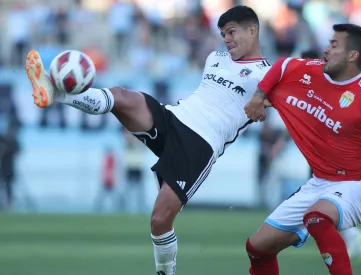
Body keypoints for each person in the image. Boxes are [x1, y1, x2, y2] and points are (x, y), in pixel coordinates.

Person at [25, 6, 270, 275]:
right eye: (223, 34)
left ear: (253, 30)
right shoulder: (215, 57)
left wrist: (262, 101)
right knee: (121, 97)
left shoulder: (268, 75)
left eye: (232, 32)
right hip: (173, 117)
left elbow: (293, 100)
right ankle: (55, 94)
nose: (227, 39)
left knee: (159, 220)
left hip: (199, 144)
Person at [244, 24, 361, 275]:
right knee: (257, 248)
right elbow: (282, 65)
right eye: (328, 43)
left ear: (353, 56)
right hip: (318, 182)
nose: (326, 50)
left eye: (334, 45)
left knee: (316, 217)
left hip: (356, 185)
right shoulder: (313, 70)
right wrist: (258, 96)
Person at [269, 49, 361, 264]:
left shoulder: (326, 89)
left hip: (331, 161)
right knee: (322, 202)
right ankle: (351, 238)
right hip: (320, 159)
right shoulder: (315, 89)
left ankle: (348, 236)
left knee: (321, 202)